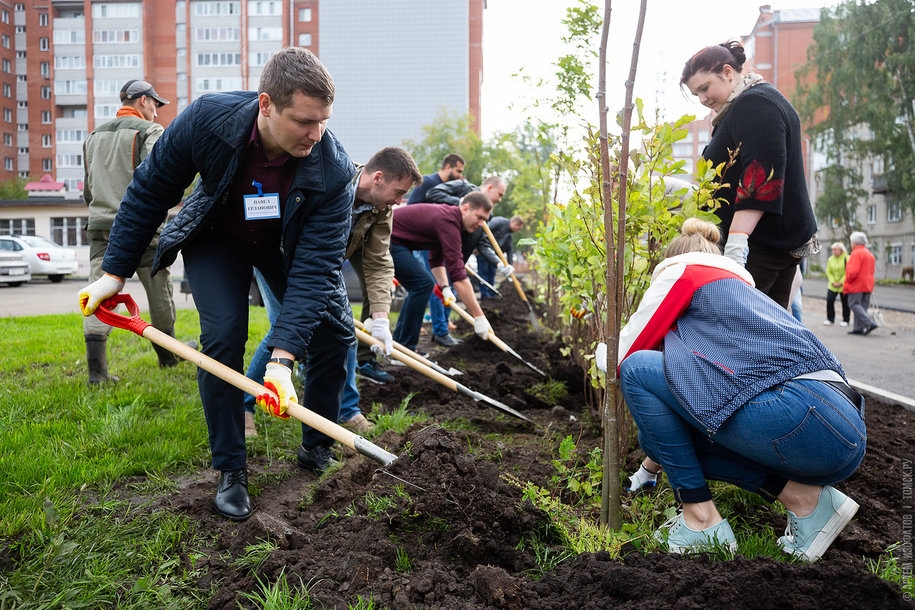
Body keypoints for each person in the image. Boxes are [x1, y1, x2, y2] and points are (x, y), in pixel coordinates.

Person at [78, 48, 356, 522]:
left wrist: (283, 360)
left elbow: (315, 270)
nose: (317, 134)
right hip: (217, 236)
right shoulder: (210, 118)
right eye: (304, 122)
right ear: (266, 105)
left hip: (285, 250)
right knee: (223, 337)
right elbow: (150, 190)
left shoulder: (332, 168)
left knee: (332, 336)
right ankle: (231, 469)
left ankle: (317, 445)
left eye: (324, 121)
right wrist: (114, 272)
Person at [598, 218, 865, 560]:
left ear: (670, 261)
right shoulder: (742, 293)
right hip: (842, 429)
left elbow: (620, 359)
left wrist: (600, 351)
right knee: (654, 440)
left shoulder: (684, 273)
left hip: (799, 414)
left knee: (636, 368)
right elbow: (671, 425)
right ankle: (807, 501)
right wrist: (649, 466)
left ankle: (700, 519)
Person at [243, 147, 422, 436]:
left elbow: (377, 262)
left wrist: (379, 319)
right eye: (399, 191)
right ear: (377, 177)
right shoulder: (329, 175)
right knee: (283, 328)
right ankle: (244, 404)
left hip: (324, 267)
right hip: (279, 258)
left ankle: (347, 410)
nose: (400, 201)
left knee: (344, 332)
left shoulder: (381, 209)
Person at [682, 40, 819, 308]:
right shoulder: (748, 105)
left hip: (760, 247)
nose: (702, 99)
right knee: (764, 335)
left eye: (705, 88)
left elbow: (761, 180)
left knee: (738, 329)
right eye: (696, 94)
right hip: (770, 244)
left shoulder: (756, 105)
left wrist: (736, 246)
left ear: (727, 72)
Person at [82, 79, 196, 384]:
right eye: (156, 105)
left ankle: (97, 372)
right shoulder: (149, 132)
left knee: (98, 293)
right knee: (159, 291)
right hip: (140, 227)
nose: (157, 113)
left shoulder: (93, 136)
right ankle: (167, 357)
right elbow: (161, 177)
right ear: (143, 101)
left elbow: (88, 188)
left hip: (100, 228)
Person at [390, 191, 494, 353]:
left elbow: (436, 260)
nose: (481, 223)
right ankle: (405, 348)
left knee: (419, 286)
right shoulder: (449, 221)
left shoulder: (451, 220)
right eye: (479, 217)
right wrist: (479, 317)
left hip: (398, 242)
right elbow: (458, 275)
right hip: (387, 238)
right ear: (465, 209)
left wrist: (445, 287)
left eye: (485, 220)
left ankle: (400, 344)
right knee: (423, 285)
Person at [423, 175, 507, 346]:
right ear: (490, 188)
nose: (500, 199)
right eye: (500, 194)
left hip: (458, 257)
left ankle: (442, 330)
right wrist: (462, 204)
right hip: (441, 250)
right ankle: (440, 331)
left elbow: (482, 243)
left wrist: (499, 263)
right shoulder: (464, 188)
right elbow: (433, 193)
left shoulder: (487, 216)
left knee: (451, 293)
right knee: (440, 291)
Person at [406, 154, 467, 349]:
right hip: (425, 242)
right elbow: (411, 210)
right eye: (458, 171)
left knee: (449, 284)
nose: (459, 176)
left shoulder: (452, 188)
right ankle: (440, 331)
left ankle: (443, 327)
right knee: (434, 286)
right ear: (447, 167)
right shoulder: (428, 183)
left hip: (441, 242)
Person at [476, 215, 524, 299]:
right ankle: (485, 296)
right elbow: (484, 229)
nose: (518, 231)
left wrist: (510, 265)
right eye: (519, 228)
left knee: (492, 273)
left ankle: (491, 294)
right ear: (515, 223)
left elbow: (509, 249)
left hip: (494, 257)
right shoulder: (499, 222)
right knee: (484, 273)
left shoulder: (508, 235)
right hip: (484, 252)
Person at [844, 231, 878, 335]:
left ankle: (868, 322)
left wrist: (847, 281)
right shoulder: (869, 254)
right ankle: (858, 328)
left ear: (855, 242)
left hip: (856, 284)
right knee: (862, 306)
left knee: (853, 304)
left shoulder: (856, 253)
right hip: (867, 284)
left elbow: (852, 271)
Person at [824, 242, 850, 327]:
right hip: (832, 285)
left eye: (835, 250)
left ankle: (846, 319)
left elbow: (848, 272)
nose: (834, 251)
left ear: (841, 250)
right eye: (833, 250)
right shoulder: (831, 259)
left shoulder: (847, 258)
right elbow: (828, 271)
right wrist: (833, 281)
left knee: (845, 302)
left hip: (843, 285)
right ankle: (830, 318)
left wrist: (841, 282)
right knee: (830, 300)